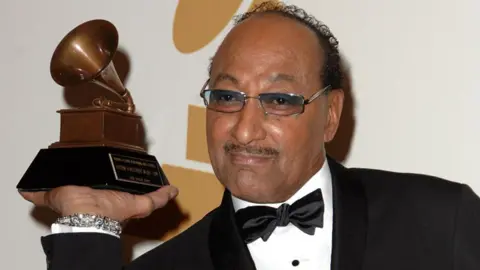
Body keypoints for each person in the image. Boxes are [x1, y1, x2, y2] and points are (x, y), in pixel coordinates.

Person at [20, 1, 480, 270]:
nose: (243, 128)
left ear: (331, 114)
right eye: (226, 97)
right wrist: (87, 223)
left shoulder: (444, 220)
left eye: (279, 99)